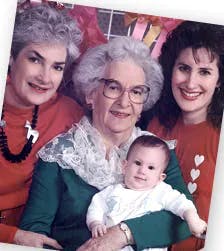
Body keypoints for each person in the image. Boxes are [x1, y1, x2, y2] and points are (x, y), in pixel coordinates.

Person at [20, 36, 192, 251]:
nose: (124, 102)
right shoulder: (59, 155)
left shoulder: (159, 152)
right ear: (91, 94)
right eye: (113, 87)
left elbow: (185, 218)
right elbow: (33, 234)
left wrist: (121, 234)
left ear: (143, 104)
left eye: (136, 92)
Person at [0, 4, 83, 248]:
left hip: (40, 235)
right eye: (35, 59)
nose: (45, 78)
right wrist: (13, 237)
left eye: (57, 66)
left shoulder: (70, 114)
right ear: (11, 57)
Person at [147, 21, 224, 250]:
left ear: (219, 81)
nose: (191, 83)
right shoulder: (155, 126)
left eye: (205, 72)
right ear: (171, 69)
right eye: (184, 68)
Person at [86, 135, 207, 251]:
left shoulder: (161, 191)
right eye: (138, 163)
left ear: (160, 177)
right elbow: (96, 206)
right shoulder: (112, 191)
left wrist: (193, 220)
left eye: (151, 168)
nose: (142, 171)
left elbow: (182, 203)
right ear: (124, 166)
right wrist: (95, 223)